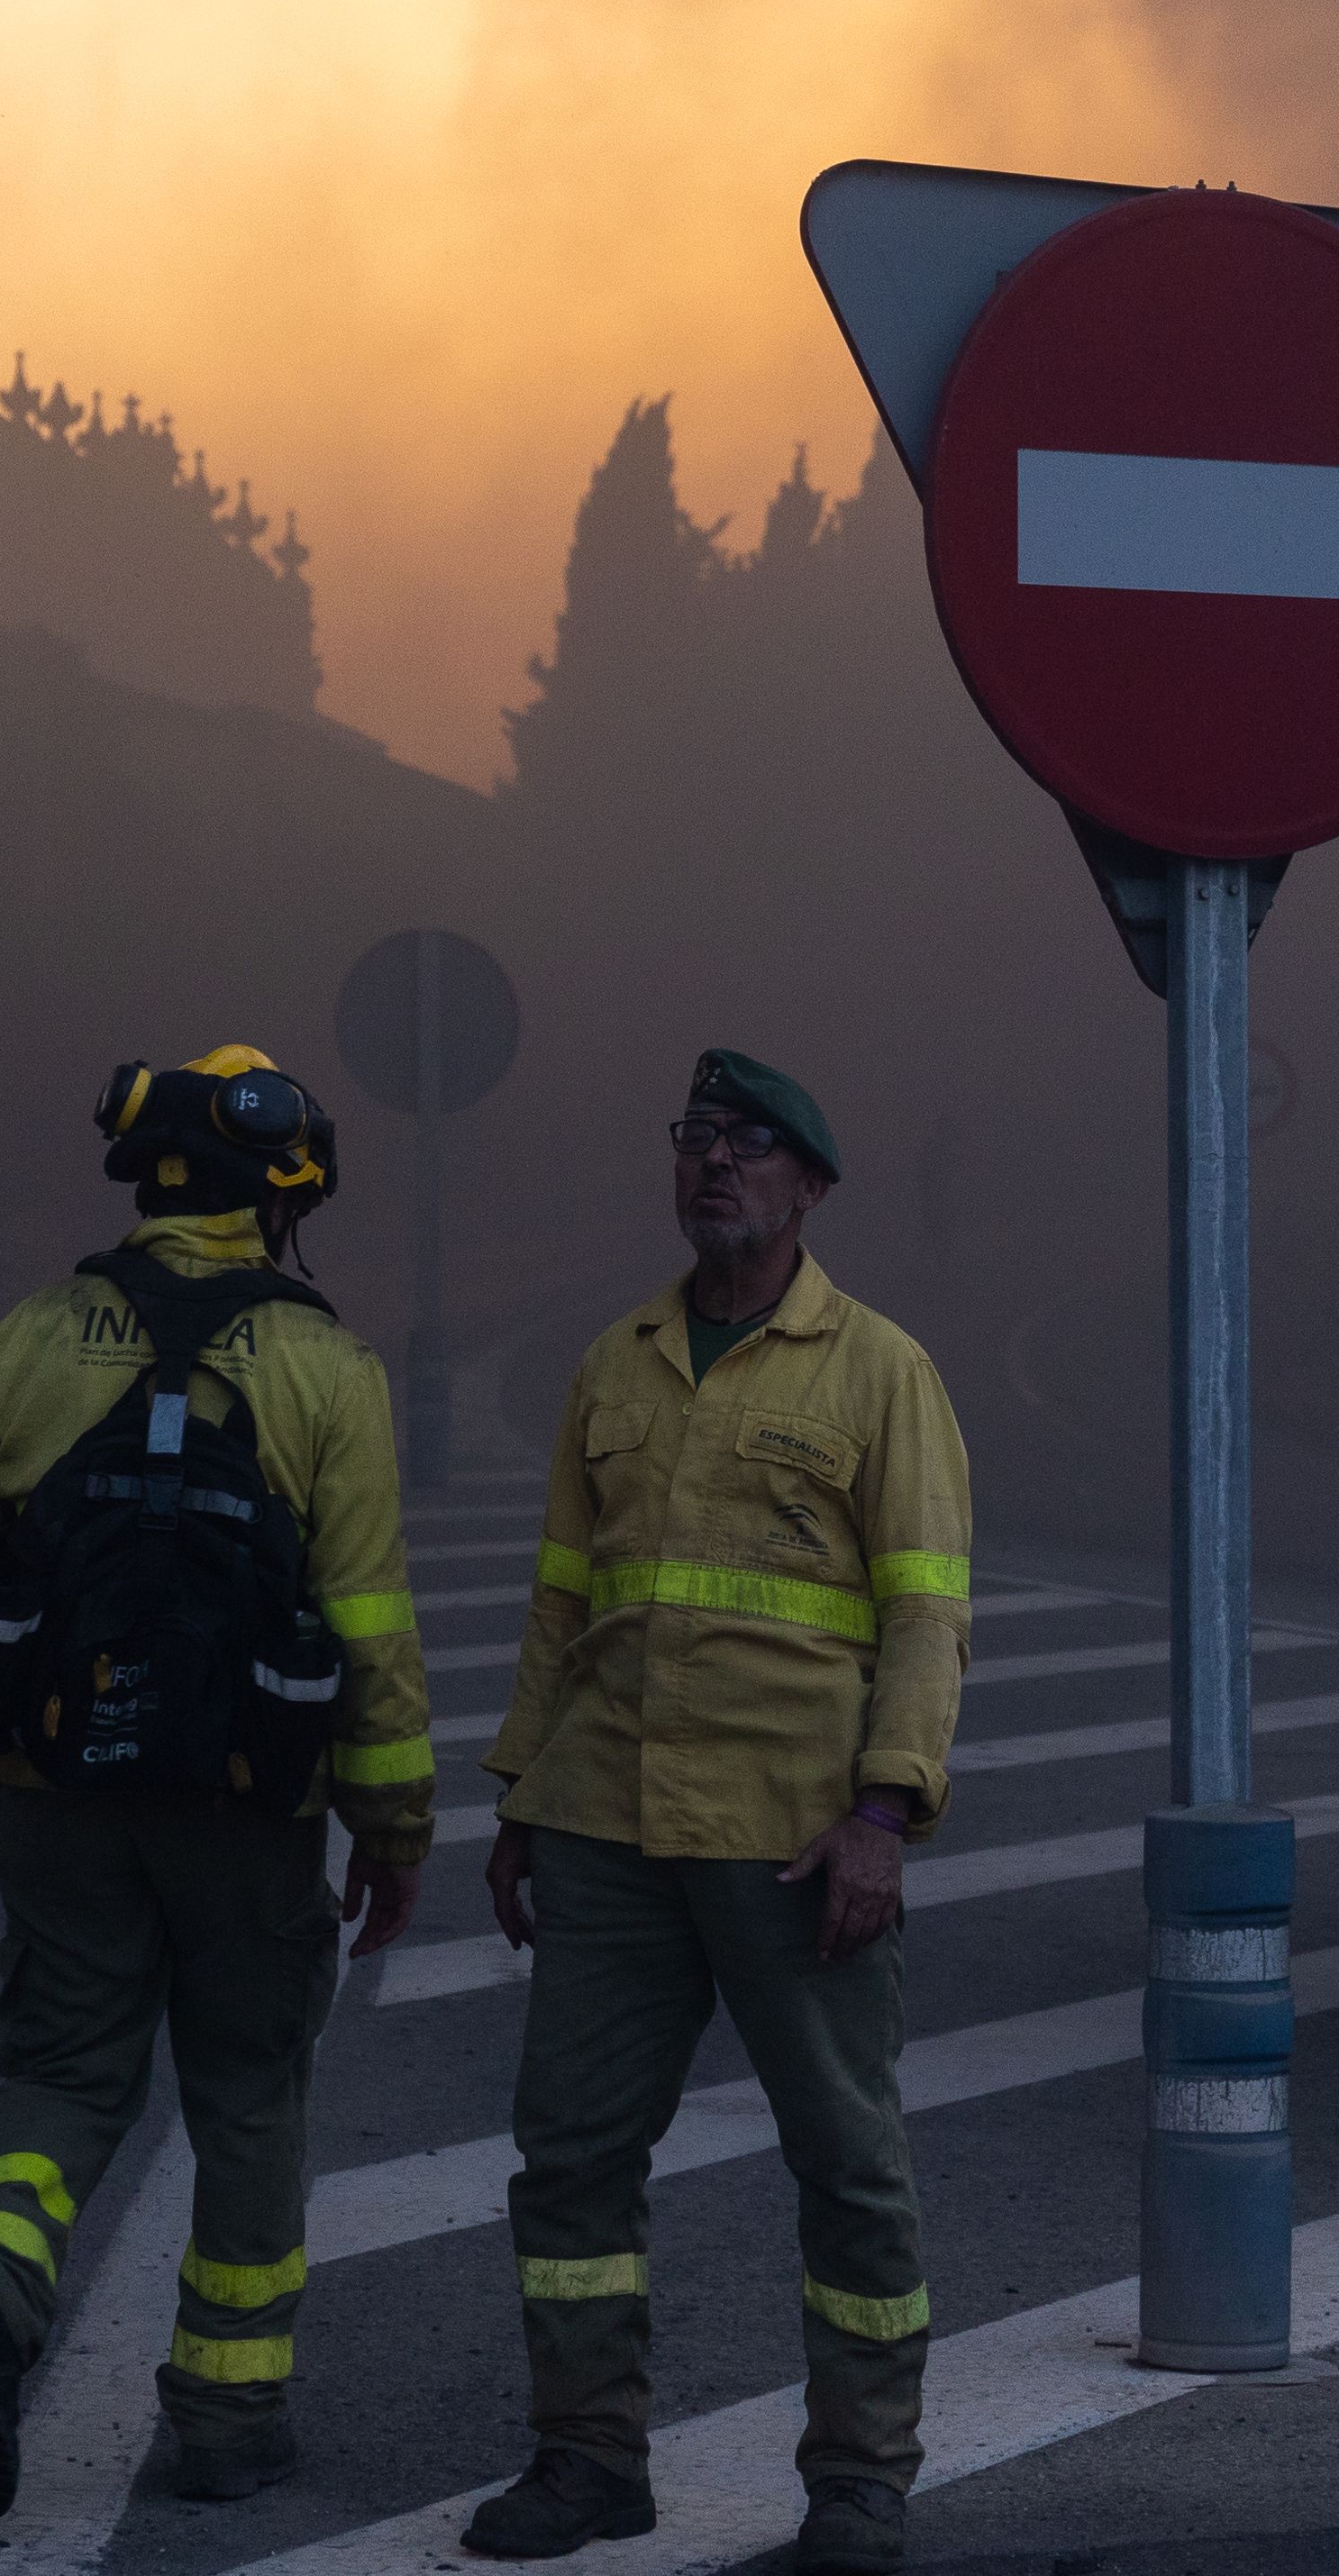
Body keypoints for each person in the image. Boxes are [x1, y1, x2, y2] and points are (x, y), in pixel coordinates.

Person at [0, 1046, 432, 2517]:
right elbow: (369, 1622)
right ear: (283, 1190)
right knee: (247, 2091)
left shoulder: (33, 1338)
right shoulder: (328, 1364)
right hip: (253, 1810)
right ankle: (231, 2424)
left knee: (59, 2073)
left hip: (55, 1794)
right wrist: (393, 1824)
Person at [459, 1050, 975, 2576]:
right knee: (569, 2155)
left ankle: (864, 2479)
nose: (716, 1166)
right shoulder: (615, 1365)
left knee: (847, 2159)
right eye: (696, 1139)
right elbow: (566, 1603)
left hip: (793, 1833)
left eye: (750, 1146)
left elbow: (930, 1616)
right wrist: (520, 1798)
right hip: (609, 1823)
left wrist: (886, 1811)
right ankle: (587, 2458)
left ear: (809, 1187)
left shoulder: (882, 1371)